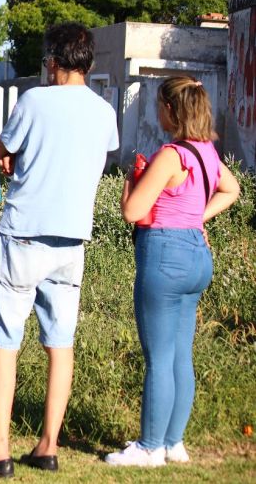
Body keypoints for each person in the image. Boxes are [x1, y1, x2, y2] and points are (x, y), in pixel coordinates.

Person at [0, 23, 119, 478]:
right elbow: (97, 157)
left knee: (5, 342)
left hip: (25, 232)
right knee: (59, 344)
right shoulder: (105, 112)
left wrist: (11, 158)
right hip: (73, 239)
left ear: (53, 60)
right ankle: (48, 445)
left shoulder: (34, 101)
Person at [105, 77, 240, 467]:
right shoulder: (207, 152)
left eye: (159, 106)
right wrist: (197, 216)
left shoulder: (170, 154)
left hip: (164, 254)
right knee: (181, 354)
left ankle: (149, 447)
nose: (156, 112)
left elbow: (132, 212)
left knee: (159, 357)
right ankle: (174, 442)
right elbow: (231, 191)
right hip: (197, 254)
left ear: (170, 110)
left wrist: (131, 180)